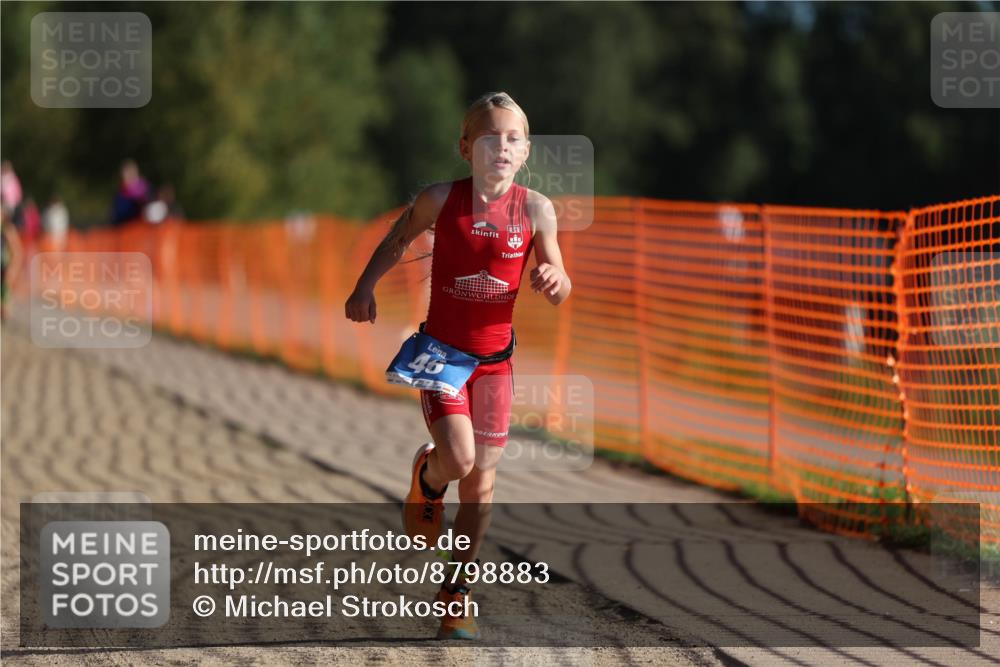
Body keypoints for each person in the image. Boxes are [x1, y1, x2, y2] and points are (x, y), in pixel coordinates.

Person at [345, 92, 571, 640]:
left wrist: (554, 281)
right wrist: (364, 287)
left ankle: (457, 594)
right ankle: (429, 476)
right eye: (491, 136)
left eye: (514, 138)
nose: (503, 146)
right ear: (466, 147)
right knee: (460, 459)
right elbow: (398, 240)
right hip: (443, 357)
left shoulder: (537, 209)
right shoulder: (440, 200)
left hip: (496, 364)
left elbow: (561, 280)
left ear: (526, 152)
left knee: (483, 484)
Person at [111, 159, 151, 225]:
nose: (130, 177)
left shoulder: (146, 189)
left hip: (145, 227)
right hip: (127, 229)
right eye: (127, 174)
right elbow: (117, 216)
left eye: (132, 173)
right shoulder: (120, 195)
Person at [1, 210, 24, 322]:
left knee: (4, 295)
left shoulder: (7, 229)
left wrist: (13, 269)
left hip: (4, 268)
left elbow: (17, 251)